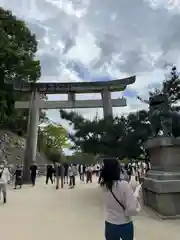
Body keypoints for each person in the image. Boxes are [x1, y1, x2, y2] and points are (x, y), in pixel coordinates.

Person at [100, 158, 139, 240]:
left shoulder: (103, 186)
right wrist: (136, 194)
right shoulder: (123, 185)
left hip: (110, 223)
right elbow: (131, 206)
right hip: (125, 223)